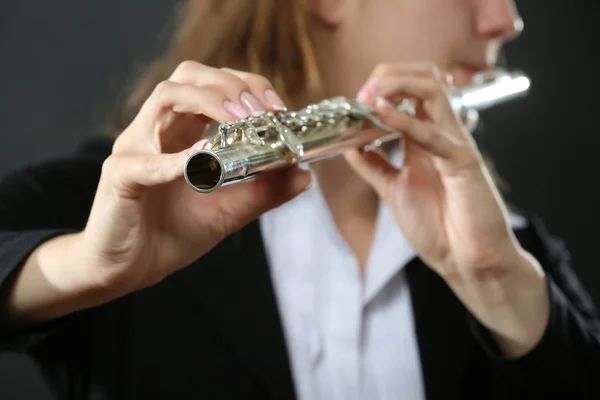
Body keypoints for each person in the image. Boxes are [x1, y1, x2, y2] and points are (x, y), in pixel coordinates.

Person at [0, 0, 598, 399]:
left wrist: (498, 282)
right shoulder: (126, 199)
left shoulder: (513, 249)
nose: (505, 18)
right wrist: (90, 265)